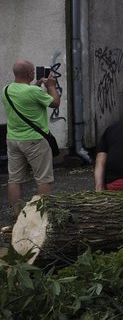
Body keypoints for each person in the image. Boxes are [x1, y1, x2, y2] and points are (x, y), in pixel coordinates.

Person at [1, 60, 61, 216]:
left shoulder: (6, 89)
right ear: (28, 73)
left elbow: (25, 94)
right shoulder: (35, 92)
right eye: (33, 71)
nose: (35, 73)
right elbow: (54, 103)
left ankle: (16, 214)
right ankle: (42, 214)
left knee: (14, 179)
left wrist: (36, 83)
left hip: (13, 140)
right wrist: (51, 86)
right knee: (43, 179)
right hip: (35, 141)